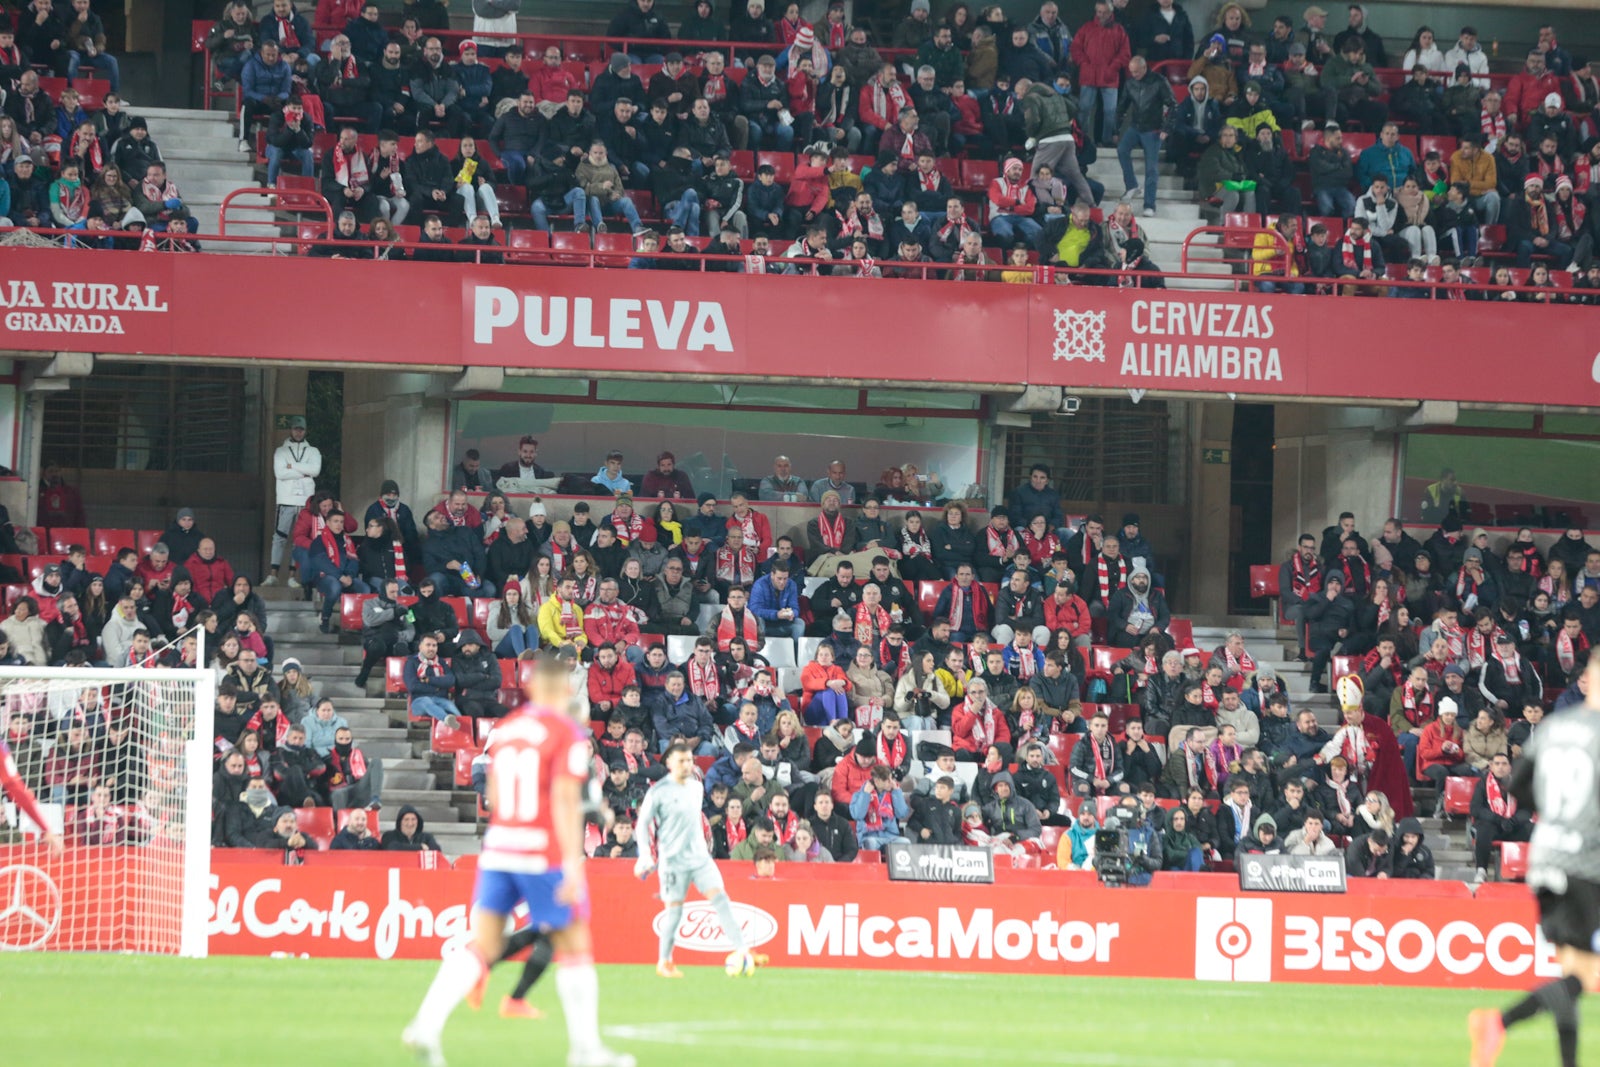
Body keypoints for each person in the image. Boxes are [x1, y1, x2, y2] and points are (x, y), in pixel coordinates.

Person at [403, 656, 636, 1067]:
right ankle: (586, 1052)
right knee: (575, 944)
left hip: (499, 847)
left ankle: (425, 1023)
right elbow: (566, 799)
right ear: (565, 690)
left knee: (486, 943)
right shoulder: (565, 732)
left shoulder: (507, 728)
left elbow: (492, 785)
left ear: (530, 688)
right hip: (541, 851)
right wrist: (570, 861)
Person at [1470, 650, 1600, 1067]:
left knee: (1571, 975)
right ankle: (1499, 1022)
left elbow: (1519, 789)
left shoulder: (1553, 728)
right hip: (1584, 865)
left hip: (1545, 862)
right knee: (1583, 977)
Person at [635, 740, 768, 978]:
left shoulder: (696, 788)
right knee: (674, 912)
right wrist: (645, 855)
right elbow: (643, 824)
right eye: (681, 761)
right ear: (669, 763)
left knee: (722, 901)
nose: (687, 765)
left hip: (700, 859)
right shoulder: (658, 792)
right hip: (673, 861)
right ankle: (664, 961)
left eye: (689, 760)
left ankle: (743, 951)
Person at [266, 416, 321, 587]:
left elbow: (315, 470)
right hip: (286, 499)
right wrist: (304, 472)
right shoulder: (281, 451)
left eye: (301, 429)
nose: (298, 432)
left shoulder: (313, 451)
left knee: (299, 538)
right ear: (291, 429)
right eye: (296, 429)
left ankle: (292, 576)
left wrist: (292, 466)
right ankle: (273, 574)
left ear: (305, 431)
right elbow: (280, 474)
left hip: (305, 501)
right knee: (280, 537)